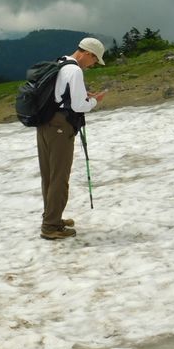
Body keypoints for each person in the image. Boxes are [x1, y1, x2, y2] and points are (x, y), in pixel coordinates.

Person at [37, 37, 107, 240]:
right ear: (88, 53)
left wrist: (82, 94)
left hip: (44, 123)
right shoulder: (75, 70)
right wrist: (94, 100)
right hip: (60, 126)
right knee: (60, 176)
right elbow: (78, 106)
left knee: (49, 175)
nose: (93, 64)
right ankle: (51, 226)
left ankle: (52, 216)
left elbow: (61, 93)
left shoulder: (61, 62)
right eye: (94, 60)